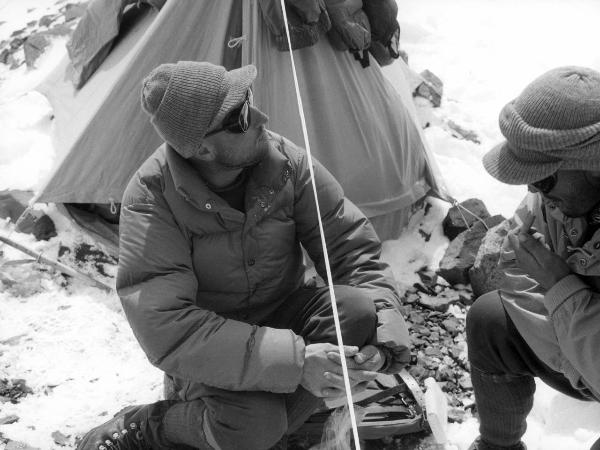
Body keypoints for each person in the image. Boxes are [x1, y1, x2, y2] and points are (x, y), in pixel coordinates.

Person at [76, 61, 410, 450]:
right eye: (240, 117)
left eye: (249, 100)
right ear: (201, 147)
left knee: (356, 310)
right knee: (254, 425)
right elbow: (167, 327)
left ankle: (254, 426)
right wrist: (299, 363)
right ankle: (150, 426)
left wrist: (385, 343)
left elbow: (351, 248)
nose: (261, 118)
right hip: (209, 344)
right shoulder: (152, 198)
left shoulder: (286, 163)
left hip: (284, 315)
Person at [466, 66, 600, 450]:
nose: (531, 189)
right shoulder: (558, 196)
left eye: (542, 178)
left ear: (592, 166)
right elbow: (513, 262)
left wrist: (561, 287)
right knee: (490, 321)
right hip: (582, 356)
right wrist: (576, 359)